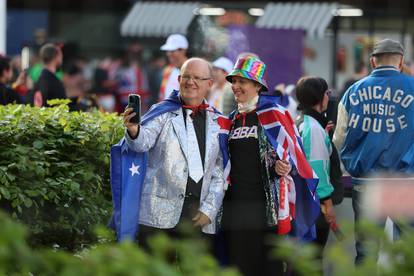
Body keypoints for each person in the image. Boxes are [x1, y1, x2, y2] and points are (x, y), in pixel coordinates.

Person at [222, 56, 320, 276]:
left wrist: (283, 167)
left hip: (267, 209)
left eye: (242, 82)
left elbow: (295, 157)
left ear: (258, 86)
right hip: (236, 208)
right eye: (234, 81)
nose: (235, 86)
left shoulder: (275, 114)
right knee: (239, 265)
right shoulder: (231, 119)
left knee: (269, 266)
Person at [122, 57, 226, 248]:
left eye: (197, 77)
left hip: (198, 217)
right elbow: (141, 143)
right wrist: (133, 130)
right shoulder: (161, 112)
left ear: (209, 84)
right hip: (158, 215)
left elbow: (220, 171)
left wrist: (209, 210)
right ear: (178, 80)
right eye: (185, 76)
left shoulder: (219, 122)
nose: (190, 82)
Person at [333, 38, 414, 265]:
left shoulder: (352, 92)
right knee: (407, 251)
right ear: (400, 63)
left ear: (372, 61)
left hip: (366, 180)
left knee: (366, 252)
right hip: (405, 180)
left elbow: (338, 138)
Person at [295, 76, 338, 271]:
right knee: (314, 261)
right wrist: (328, 205)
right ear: (319, 97)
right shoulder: (313, 128)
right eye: (327, 93)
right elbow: (317, 170)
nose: (328, 98)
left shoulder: (302, 121)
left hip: (304, 203)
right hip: (315, 206)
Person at [158, 34, 189, 100]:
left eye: (172, 51)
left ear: (183, 50)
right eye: (168, 51)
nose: (168, 54)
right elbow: (162, 95)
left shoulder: (193, 71)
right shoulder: (168, 70)